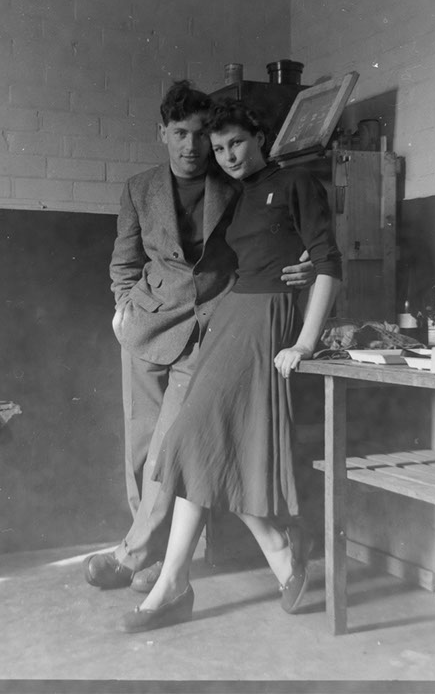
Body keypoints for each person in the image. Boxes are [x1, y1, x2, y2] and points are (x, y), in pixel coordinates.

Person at [116, 98, 342, 632]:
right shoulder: (239, 195)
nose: (228, 156)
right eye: (219, 149)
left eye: (236, 143)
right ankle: (269, 553)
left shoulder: (298, 182)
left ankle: (186, 582)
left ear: (259, 137)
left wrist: (305, 342)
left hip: (267, 317)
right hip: (231, 314)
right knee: (201, 444)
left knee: (193, 439)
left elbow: (329, 263)